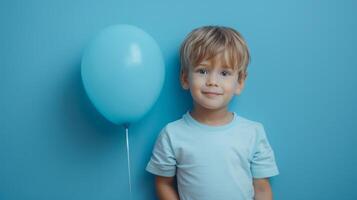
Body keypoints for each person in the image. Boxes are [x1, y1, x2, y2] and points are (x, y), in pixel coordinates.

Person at [146, 25, 279, 200]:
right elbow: (163, 183)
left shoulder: (253, 132)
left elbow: (261, 187)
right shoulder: (172, 134)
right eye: (202, 71)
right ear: (185, 78)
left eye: (224, 73)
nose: (212, 81)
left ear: (239, 82)